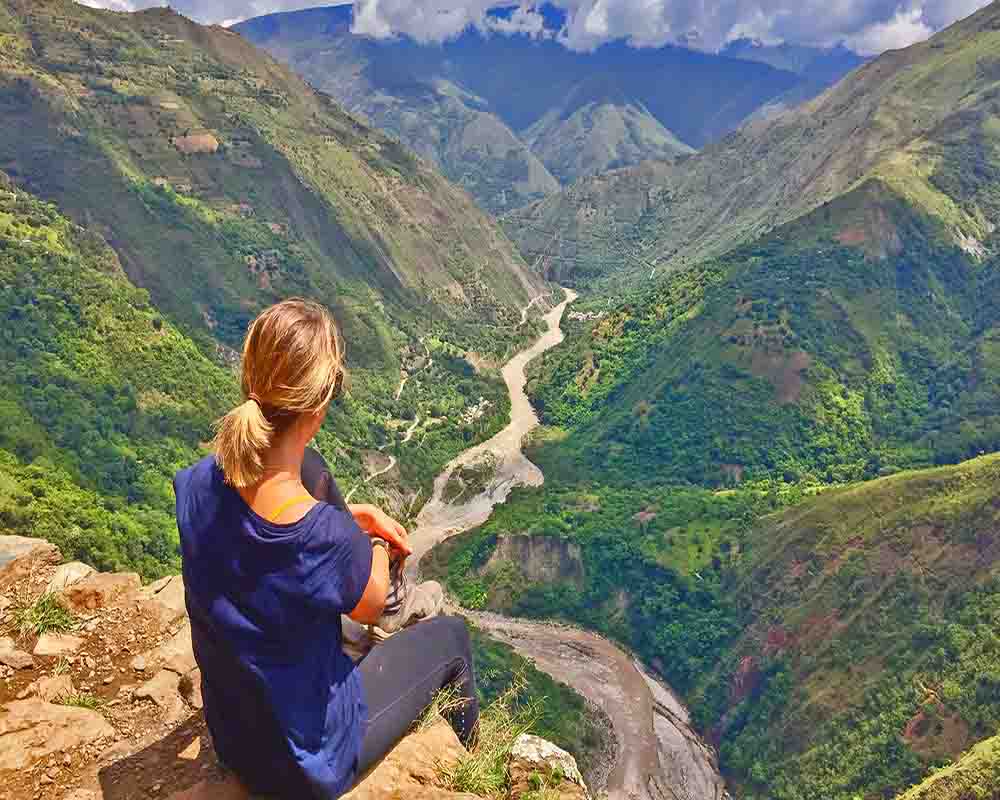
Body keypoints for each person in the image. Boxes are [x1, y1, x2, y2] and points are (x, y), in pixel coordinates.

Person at [173, 298, 479, 799]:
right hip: (304, 765)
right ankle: (472, 770)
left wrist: (345, 518)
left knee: (310, 469)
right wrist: (374, 544)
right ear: (318, 406)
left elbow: (259, 542)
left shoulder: (194, 484)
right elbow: (372, 600)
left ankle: (346, 634)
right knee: (452, 640)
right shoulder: (322, 538)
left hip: (232, 737)